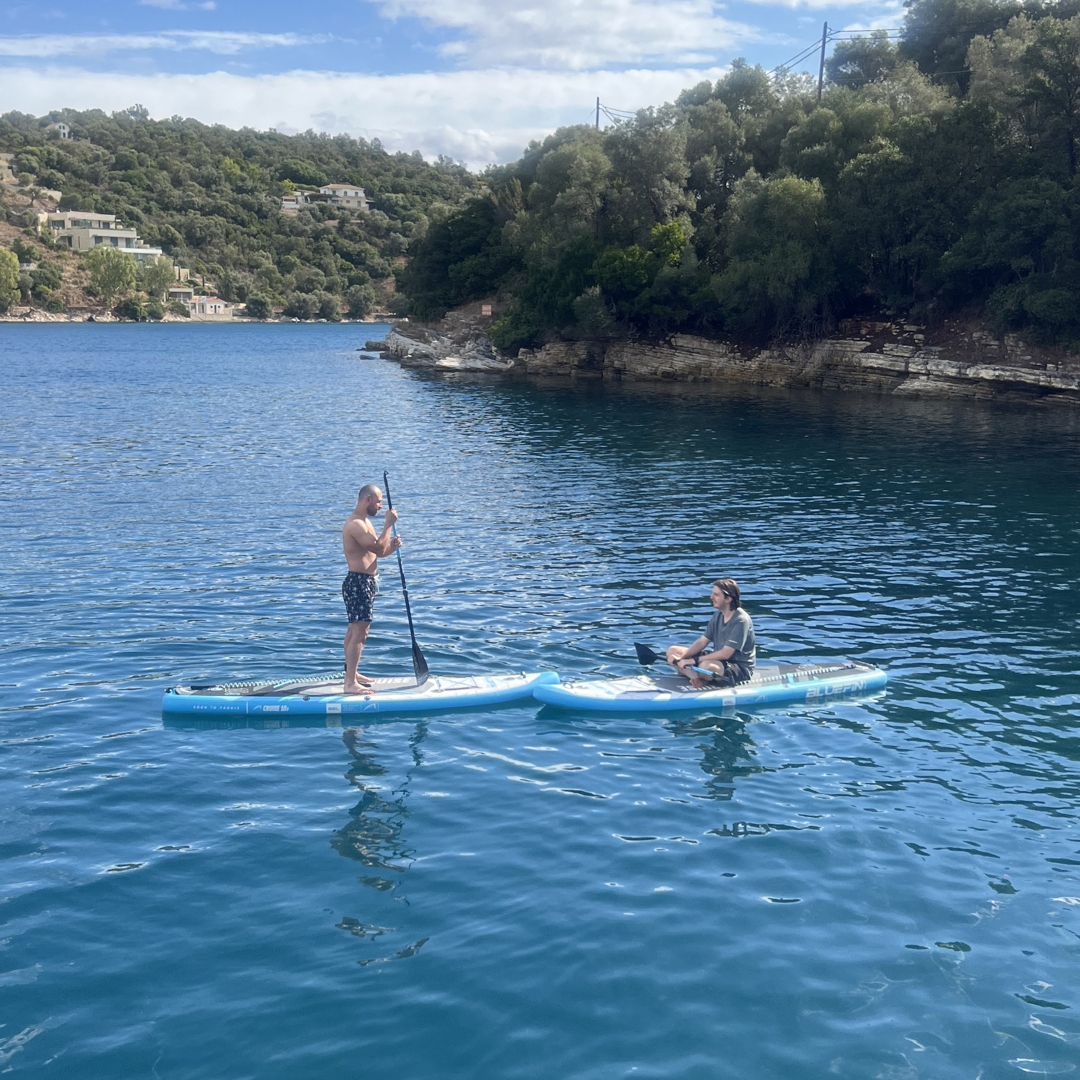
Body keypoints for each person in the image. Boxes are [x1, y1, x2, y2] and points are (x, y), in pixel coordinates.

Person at [341, 484, 401, 694]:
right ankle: (350, 683)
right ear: (367, 500)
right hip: (358, 582)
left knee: (354, 630)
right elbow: (376, 546)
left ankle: (352, 673)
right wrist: (387, 524)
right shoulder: (356, 524)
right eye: (378, 502)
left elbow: (377, 552)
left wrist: (391, 547)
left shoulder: (366, 523)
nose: (380, 506)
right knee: (360, 631)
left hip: (366, 582)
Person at [666, 578, 756, 689]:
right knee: (673, 651)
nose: (711, 597)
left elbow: (726, 654)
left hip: (738, 668)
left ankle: (700, 675)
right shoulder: (718, 615)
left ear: (728, 599)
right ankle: (697, 678)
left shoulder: (741, 620)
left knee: (705, 667)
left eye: (716, 595)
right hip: (719, 661)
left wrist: (693, 660)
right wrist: (682, 658)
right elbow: (702, 642)